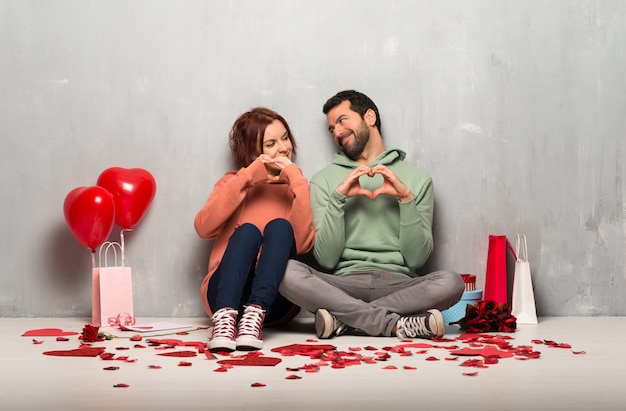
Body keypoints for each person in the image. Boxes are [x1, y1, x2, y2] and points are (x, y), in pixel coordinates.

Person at [279, 90, 465, 340]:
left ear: (369, 117)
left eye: (342, 120)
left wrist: (406, 199)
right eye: (331, 128)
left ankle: (346, 321)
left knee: (452, 282)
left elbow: (416, 259)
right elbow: (327, 260)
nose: (337, 132)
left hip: (400, 285)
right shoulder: (324, 180)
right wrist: (338, 199)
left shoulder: (418, 179)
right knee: (284, 271)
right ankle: (393, 325)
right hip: (343, 286)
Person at [195, 107, 315, 351]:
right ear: (253, 152)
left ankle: (254, 317)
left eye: (284, 137)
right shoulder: (233, 182)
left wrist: (298, 182)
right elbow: (204, 228)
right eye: (271, 143)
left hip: (274, 303)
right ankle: (226, 319)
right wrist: (247, 176)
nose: (283, 147)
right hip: (223, 295)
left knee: (281, 227)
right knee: (248, 231)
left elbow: (303, 245)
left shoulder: (295, 186)